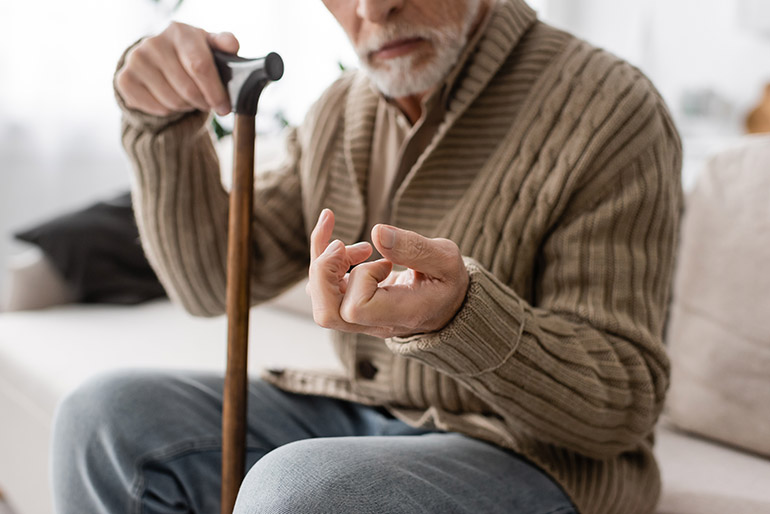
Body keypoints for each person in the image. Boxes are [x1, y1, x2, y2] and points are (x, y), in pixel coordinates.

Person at [51, 0, 683, 513]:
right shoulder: (338, 110)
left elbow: (620, 407)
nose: (373, 8)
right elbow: (210, 283)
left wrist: (459, 317)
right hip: (362, 414)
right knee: (104, 419)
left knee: (299, 492)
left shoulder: (613, 108)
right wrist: (155, 124)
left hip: (533, 456)